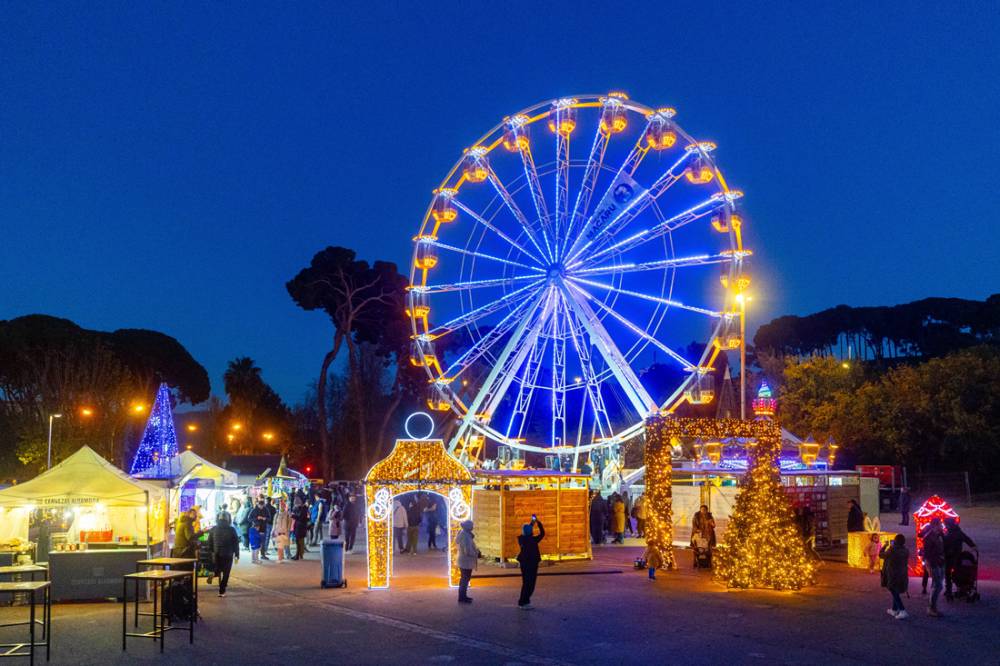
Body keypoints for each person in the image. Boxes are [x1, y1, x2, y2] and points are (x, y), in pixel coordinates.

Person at [207, 512, 240, 596]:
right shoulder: (231, 529)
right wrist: (237, 554)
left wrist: (211, 551)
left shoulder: (214, 529)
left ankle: (214, 573)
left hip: (217, 553)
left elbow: (209, 542)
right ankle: (222, 590)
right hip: (228, 553)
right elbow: (236, 542)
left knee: (218, 568)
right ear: (228, 519)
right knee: (226, 572)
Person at [943, 517, 976, 600]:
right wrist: (973, 546)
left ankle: (949, 591)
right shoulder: (958, 532)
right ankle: (956, 589)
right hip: (957, 556)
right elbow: (967, 539)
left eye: (946, 524)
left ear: (948, 525)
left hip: (950, 556)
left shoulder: (950, 533)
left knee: (948, 574)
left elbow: (945, 544)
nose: (945, 526)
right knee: (956, 573)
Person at [517, 517, 545, 609]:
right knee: (530, 584)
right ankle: (525, 602)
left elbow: (527, 529)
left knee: (525, 583)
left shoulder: (522, 539)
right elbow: (542, 533)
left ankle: (523, 601)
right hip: (532, 564)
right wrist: (538, 523)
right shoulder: (533, 540)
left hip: (524, 563)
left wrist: (532, 522)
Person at [880, 534, 910, 619]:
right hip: (902, 574)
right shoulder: (906, 550)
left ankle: (902, 610)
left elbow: (881, 555)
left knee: (893, 590)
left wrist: (885, 546)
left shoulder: (892, 550)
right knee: (895, 590)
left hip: (893, 574)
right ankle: (894, 609)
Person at [920, 517, 946, 616]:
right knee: (938, 585)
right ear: (935, 525)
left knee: (937, 585)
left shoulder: (939, 535)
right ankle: (932, 607)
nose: (941, 526)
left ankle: (932, 606)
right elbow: (927, 553)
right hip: (934, 563)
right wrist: (929, 564)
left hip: (940, 562)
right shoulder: (929, 537)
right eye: (940, 524)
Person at [455, 519, 479, 604]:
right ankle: (462, 597)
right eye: (472, 526)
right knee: (465, 579)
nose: (473, 527)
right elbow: (467, 551)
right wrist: (476, 553)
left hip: (464, 561)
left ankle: (463, 596)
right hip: (466, 561)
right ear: (468, 527)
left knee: (464, 579)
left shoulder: (464, 534)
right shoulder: (466, 536)